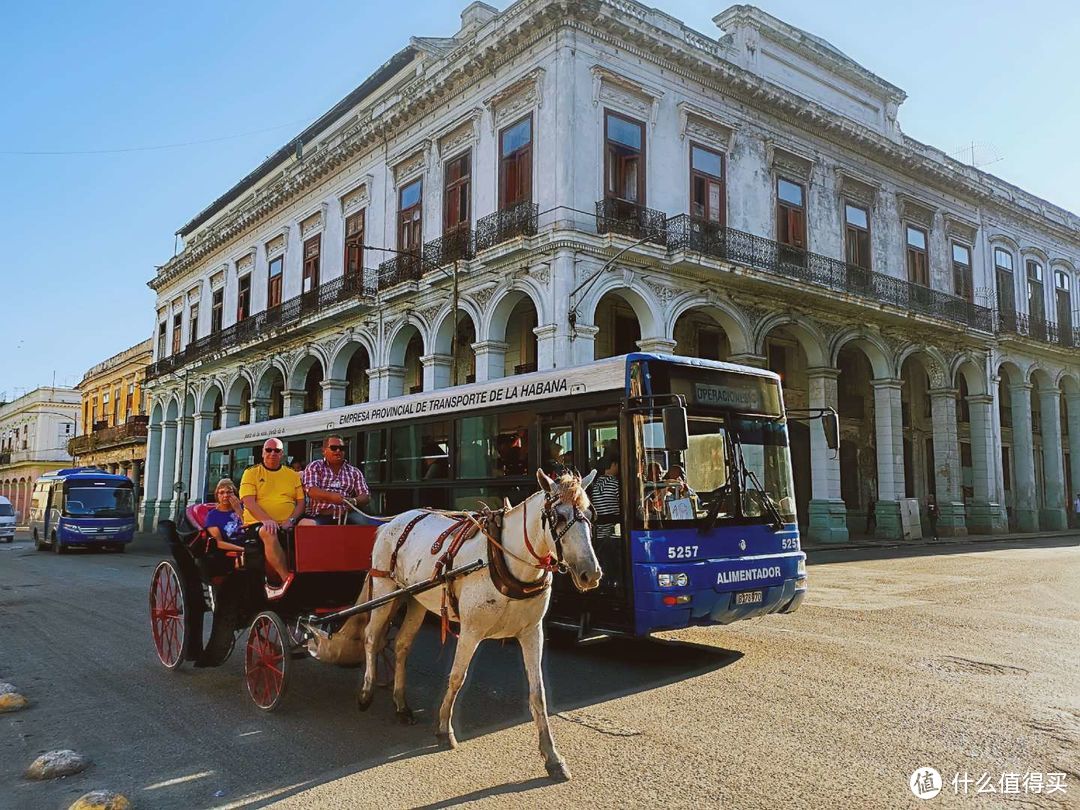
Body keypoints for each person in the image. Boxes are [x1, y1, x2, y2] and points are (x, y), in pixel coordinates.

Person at [239, 438, 308, 583]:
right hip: (257, 523)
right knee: (268, 531)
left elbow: (301, 503)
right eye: (268, 450)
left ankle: (314, 574)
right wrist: (267, 520)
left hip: (287, 523)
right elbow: (248, 501)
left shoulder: (291, 474)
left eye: (276, 450)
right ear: (263, 453)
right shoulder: (251, 473)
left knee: (311, 526)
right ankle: (287, 579)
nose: (272, 453)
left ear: (282, 454)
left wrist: (291, 520)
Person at [302, 435, 371, 525]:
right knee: (307, 524)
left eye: (341, 448)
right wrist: (331, 497)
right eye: (334, 448)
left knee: (365, 525)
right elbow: (311, 491)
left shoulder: (354, 472)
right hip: (320, 515)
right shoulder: (315, 466)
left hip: (347, 514)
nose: (338, 451)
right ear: (324, 451)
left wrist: (353, 501)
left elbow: (366, 496)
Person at [589, 453, 621, 588]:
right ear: (613, 465)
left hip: (599, 534)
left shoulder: (596, 484)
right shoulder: (615, 483)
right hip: (613, 532)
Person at [204, 478, 245, 552]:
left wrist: (239, 510)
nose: (226, 495)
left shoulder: (244, 508)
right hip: (232, 548)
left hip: (250, 541)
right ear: (217, 495)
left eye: (229, 492)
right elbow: (219, 543)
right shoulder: (213, 516)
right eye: (222, 493)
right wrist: (243, 550)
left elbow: (250, 527)